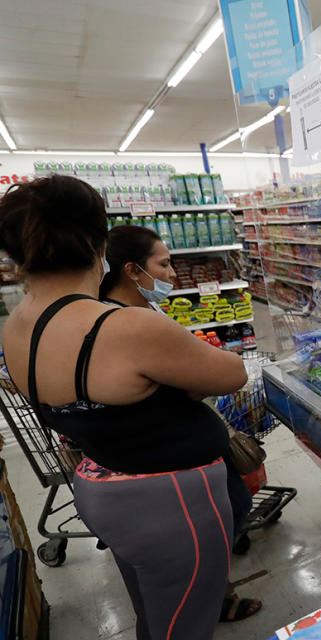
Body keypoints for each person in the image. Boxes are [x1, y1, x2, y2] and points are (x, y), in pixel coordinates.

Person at [0, 175, 248, 639]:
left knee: (153, 612)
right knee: (186, 625)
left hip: (100, 487)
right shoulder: (126, 327)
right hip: (170, 503)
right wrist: (178, 384)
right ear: (100, 245)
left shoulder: (17, 324)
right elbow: (232, 372)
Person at [99, 224, 262, 623]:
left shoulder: (139, 309)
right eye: (165, 263)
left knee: (230, 507)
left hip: (175, 450)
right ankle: (207, 595)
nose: (173, 273)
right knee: (230, 508)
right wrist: (197, 376)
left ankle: (211, 587)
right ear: (133, 270)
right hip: (167, 462)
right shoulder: (127, 323)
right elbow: (212, 377)